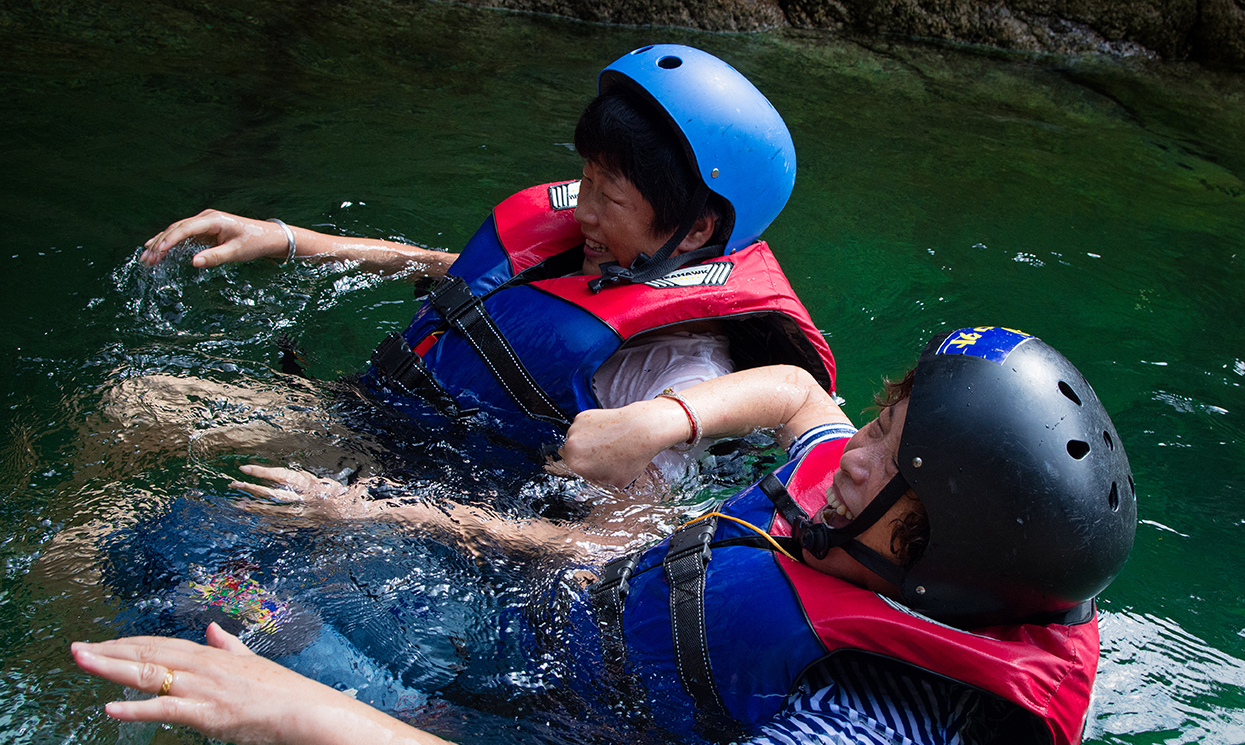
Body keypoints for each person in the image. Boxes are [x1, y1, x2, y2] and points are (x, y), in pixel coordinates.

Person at [72, 326, 1137, 745]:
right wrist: (661, 420)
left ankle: (274, 683)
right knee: (180, 539)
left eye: (883, 454)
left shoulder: (876, 723)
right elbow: (799, 397)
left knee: (211, 616)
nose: (850, 449)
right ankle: (263, 653)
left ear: (937, 555)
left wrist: (294, 710)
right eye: (882, 419)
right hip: (547, 630)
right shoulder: (856, 502)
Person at [137, 44, 835, 478]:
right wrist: (286, 238)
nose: (583, 212)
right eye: (585, 180)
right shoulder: (600, 255)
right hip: (371, 422)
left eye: (610, 196)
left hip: (434, 509)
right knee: (136, 405)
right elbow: (461, 275)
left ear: (695, 230)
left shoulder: (683, 380)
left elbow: (604, 546)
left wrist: (359, 513)